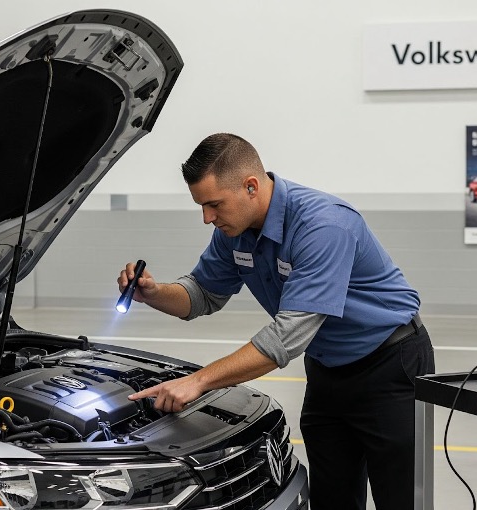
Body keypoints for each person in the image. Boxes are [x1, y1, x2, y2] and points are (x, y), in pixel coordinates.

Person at [120, 133, 434, 510]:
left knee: (401, 499)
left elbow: (287, 337)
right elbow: (200, 295)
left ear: (251, 186)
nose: (207, 218)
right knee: (332, 498)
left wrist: (198, 381)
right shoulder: (233, 232)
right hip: (327, 370)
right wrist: (153, 293)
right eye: (201, 206)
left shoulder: (324, 225)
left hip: (390, 366)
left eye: (214, 204)